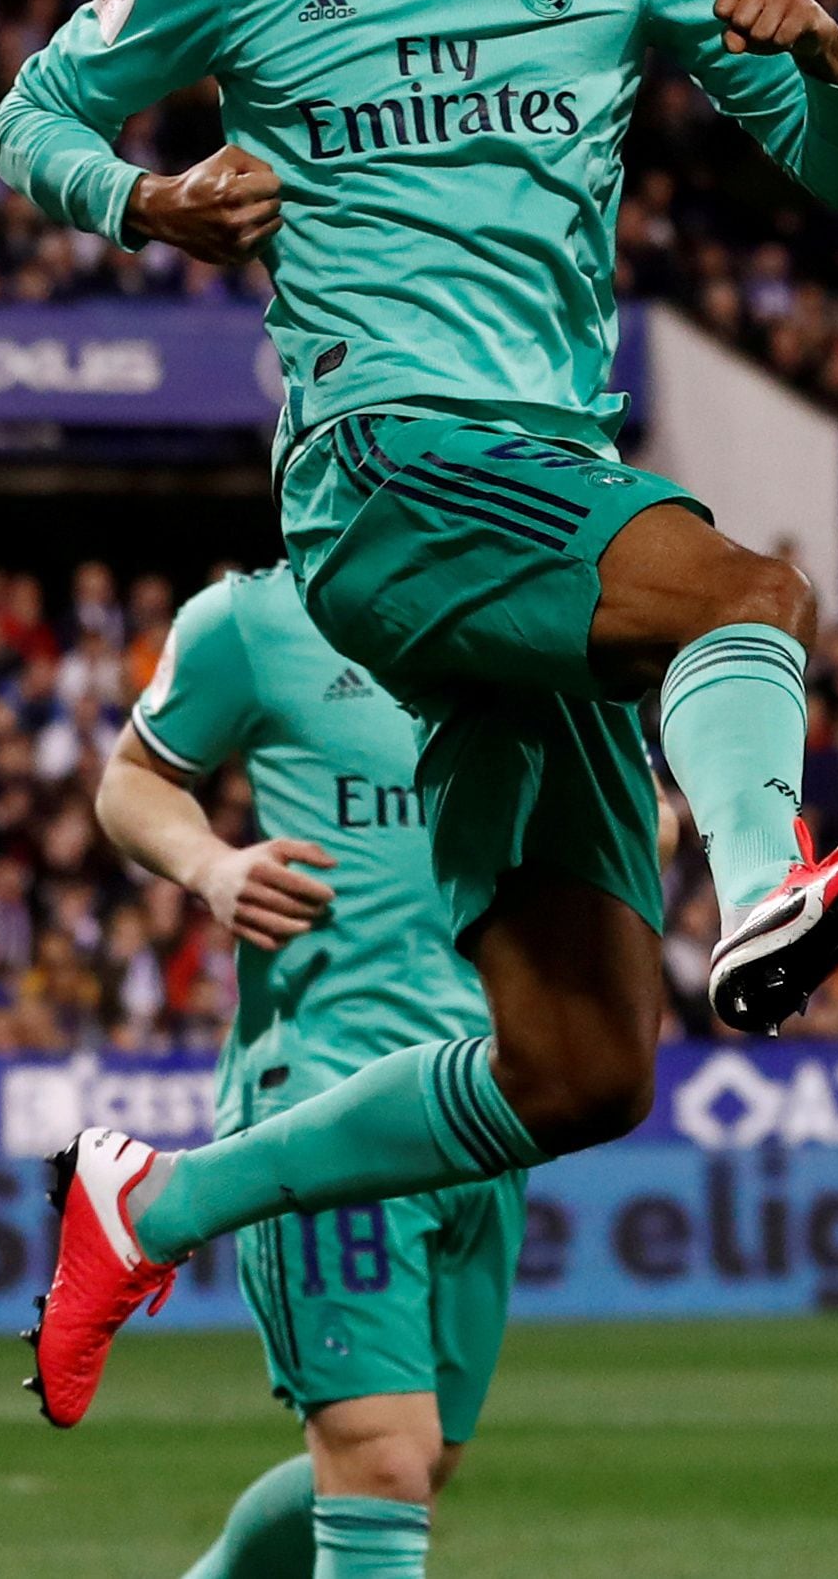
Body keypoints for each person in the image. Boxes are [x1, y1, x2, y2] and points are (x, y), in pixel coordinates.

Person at [0, 0, 838, 1432]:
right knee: (747, 594)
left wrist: (830, 59)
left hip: (544, 481)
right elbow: (32, 115)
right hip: (382, 475)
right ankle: (764, 884)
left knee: (583, 1066)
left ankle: (154, 1199)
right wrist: (144, 203)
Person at [94, 565, 519, 1576]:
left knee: (424, 1453)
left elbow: (632, 810)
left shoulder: (522, 618)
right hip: (326, 1089)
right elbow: (132, 780)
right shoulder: (248, 620)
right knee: (380, 1459)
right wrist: (212, 868)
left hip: (495, 1098)